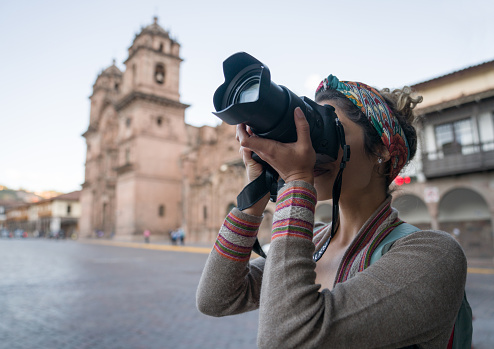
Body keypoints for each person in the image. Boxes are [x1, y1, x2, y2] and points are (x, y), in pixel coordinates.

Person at [196, 75, 468, 348]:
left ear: (382, 150)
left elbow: (287, 338)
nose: (309, 148)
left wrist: (297, 179)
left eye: (328, 130)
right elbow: (216, 298)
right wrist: (258, 188)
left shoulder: (433, 253)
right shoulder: (315, 242)